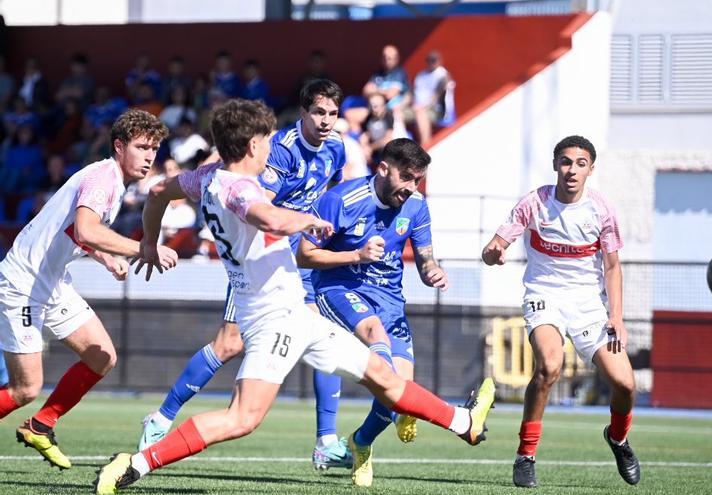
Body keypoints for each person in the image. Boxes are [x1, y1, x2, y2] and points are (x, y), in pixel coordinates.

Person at [94, 98, 495, 495]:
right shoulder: (238, 189)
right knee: (242, 418)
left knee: (384, 377)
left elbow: (160, 190)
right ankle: (135, 463)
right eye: (268, 139)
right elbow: (265, 215)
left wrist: (148, 241)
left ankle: (464, 422)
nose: (273, 146)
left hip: (293, 314)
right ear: (253, 145)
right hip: (274, 320)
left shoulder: (207, 177)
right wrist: (305, 220)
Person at [135, 80, 351, 470]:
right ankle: (162, 417)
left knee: (323, 336)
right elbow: (255, 205)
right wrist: (298, 224)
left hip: (295, 261)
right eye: (319, 112)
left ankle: (327, 441)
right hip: (260, 260)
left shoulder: (336, 149)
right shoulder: (278, 151)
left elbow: (321, 195)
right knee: (228, 344)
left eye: (333, 113)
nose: (326, 121)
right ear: (302, 112)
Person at [0, 109, 177, 470]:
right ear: (118, 146)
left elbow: (75, 232)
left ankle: (41, 424)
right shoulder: (103, 180)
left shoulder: (110, 181)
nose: (149, 156)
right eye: (142, 147)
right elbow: (85, 230)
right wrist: (145, 248)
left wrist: (104, 257)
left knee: (101, 356)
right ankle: (36, 414)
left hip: (51, 283)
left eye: (154, 149)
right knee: (24, 388)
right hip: (23, 284)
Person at [481, 135, 640, 488]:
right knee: (549, 366)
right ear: (556, 164)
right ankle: (526, 455)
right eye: (566, 162)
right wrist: (493, 253)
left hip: (588, 305)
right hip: (544, 296)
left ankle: (618, 439)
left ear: (590, 169)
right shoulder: (534, 203)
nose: (572, 170)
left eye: (580, 163)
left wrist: (617, 316)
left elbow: (612, 267)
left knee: (626, 384)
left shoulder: (602, 210)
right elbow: (495, 245)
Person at [297, 137, 449, 487]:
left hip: (390, 300)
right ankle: (326, 437)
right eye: (408, 178)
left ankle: (360, 443)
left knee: (400, 393)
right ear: (384, 169)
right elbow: (305, 255)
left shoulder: (417, 206)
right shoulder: (341, 199)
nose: (413, 188)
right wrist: (357, 256)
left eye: (419, 180)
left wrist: (432, 273)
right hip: (339, 287)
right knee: (375, 337)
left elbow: (426, 259)